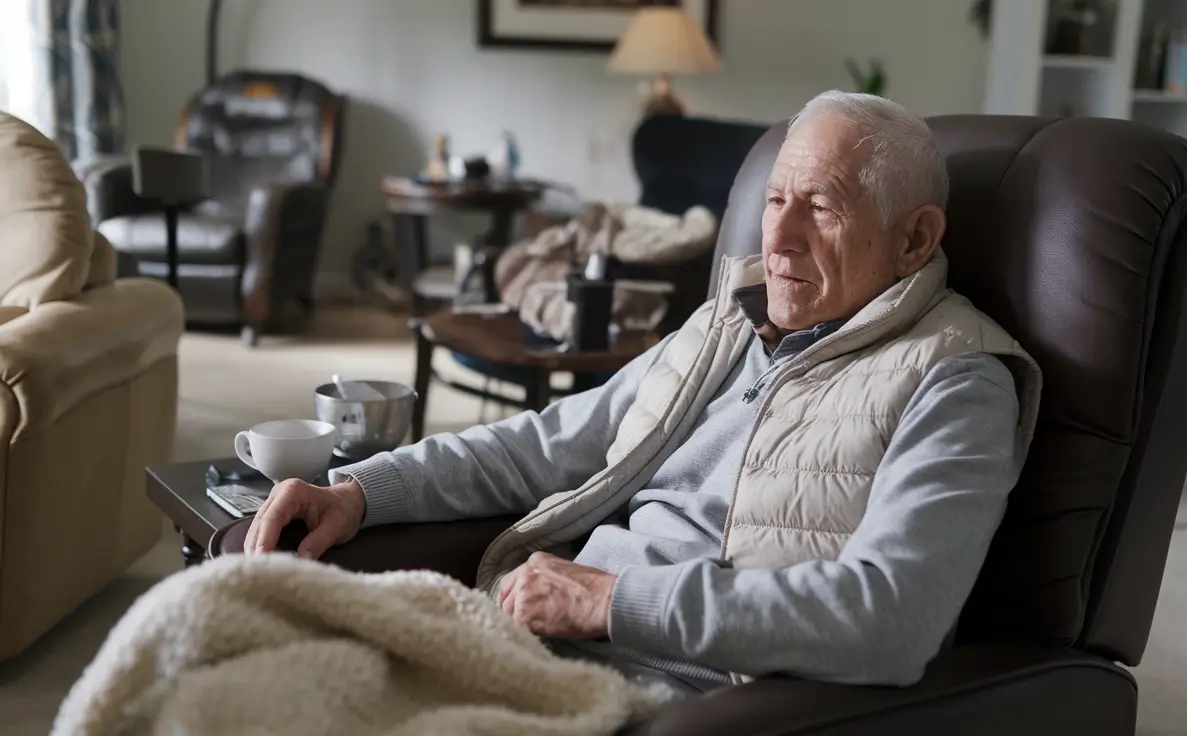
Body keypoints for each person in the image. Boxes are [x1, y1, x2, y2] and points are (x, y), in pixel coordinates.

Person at [245, 90, 1042, 695]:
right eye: (774, 200)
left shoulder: (956, 378)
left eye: (823, 206)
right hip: (522, 638)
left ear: (915, 239)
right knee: (235, 651)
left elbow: (891, 618)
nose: (781, 236)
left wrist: (611, 602)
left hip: (666, 691)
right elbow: (547, 443)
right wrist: (359, 492)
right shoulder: (727, 323)